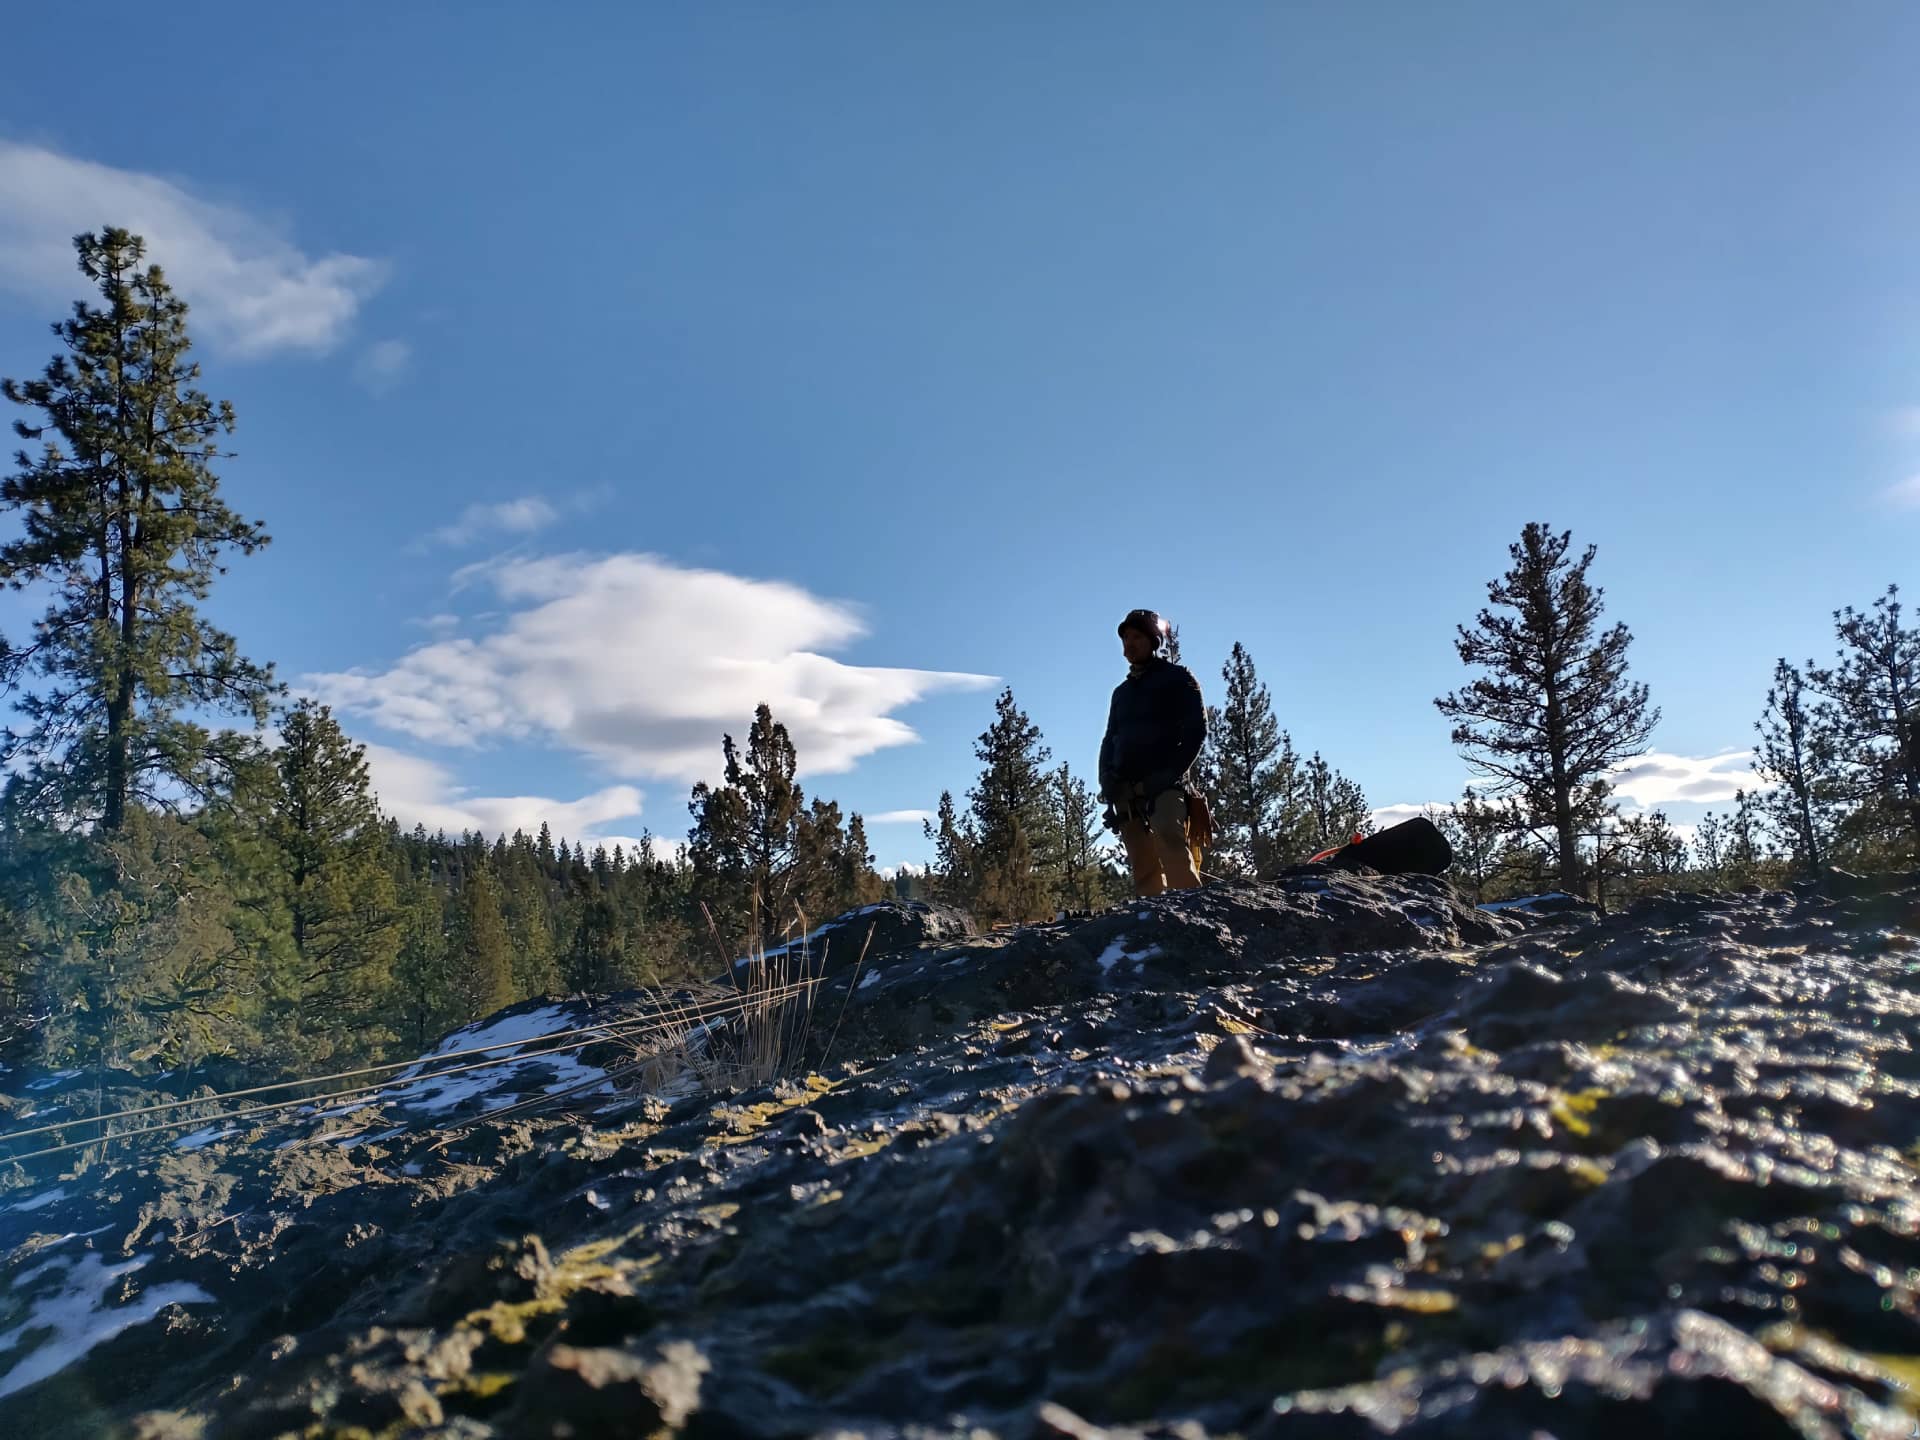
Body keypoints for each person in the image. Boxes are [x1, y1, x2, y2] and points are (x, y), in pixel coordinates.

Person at [1099, 609, 1208, 896]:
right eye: (1125, 639)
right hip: (1126, 789)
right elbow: (1110, 740)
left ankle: (1193, 914)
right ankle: (1151, 925)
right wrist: (1107, 782)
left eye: (1136, 637)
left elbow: (1197, 732)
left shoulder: (1178, 679)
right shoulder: (1121, 693)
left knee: (1171, 838)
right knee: (1141, 861)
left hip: (1167, 784)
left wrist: (1169, 775)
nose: (1129, 644)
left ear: (1153, 641)